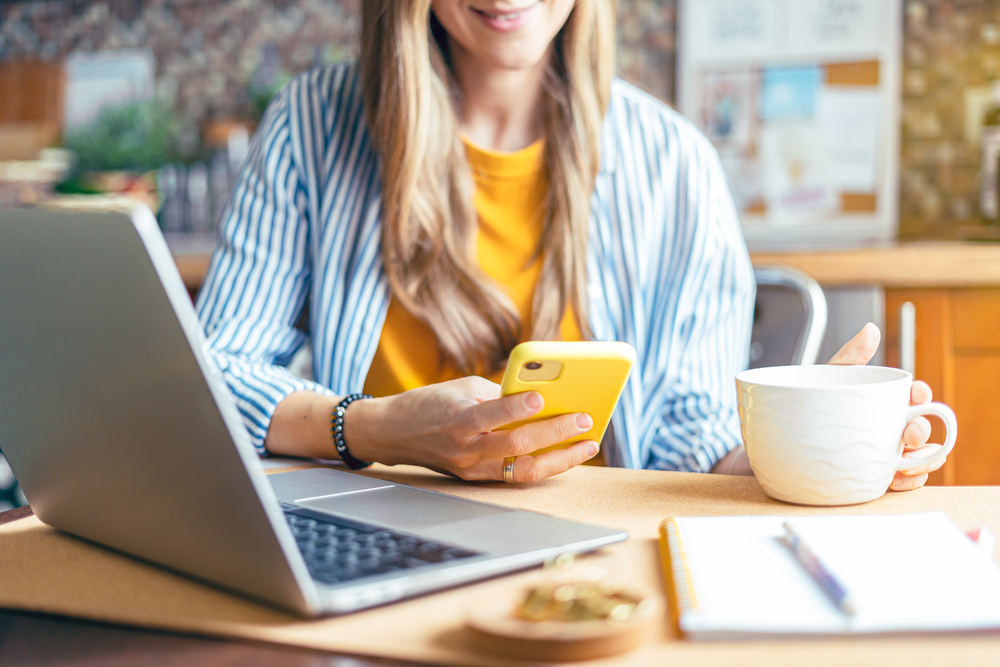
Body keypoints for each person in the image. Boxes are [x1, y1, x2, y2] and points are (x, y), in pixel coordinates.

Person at [196, 0, 945, 490]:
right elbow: (210, 380)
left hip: (594, 559)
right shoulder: (311, 128)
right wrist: (377, 426)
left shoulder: (675, 164)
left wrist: (809, 446)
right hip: (366, 542)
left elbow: (691, 435)